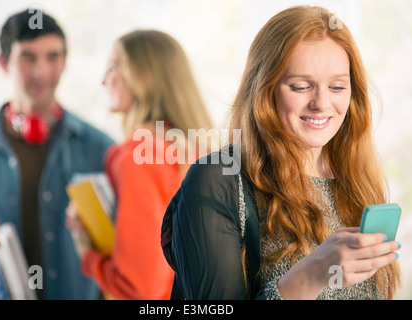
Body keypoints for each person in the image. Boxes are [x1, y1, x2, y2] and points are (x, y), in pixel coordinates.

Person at [161, 5, 402, 300]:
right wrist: (308, 277)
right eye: (300, 87)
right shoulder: (218, 179)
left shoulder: (357, 182)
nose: (322, 103)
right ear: (264, 90)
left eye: (337, 87)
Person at [0, 9, 114, 300]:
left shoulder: (101, 148)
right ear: (3, 62)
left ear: (65, 62)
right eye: (27, 57)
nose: (41, 71)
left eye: (53, 57)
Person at [66, 29, 215, 300]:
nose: (103, 81)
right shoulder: (203, 151)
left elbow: (140, 289)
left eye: (113, 67)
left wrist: (87, 254)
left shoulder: (138, 157)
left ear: (142, 77)